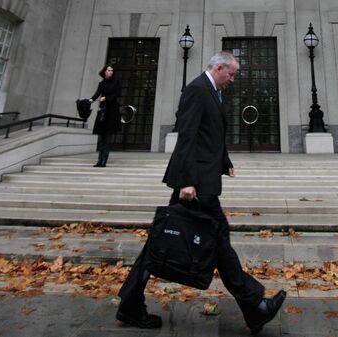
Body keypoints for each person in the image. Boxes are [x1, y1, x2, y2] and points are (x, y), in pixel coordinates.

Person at [116, 51, 286, 335]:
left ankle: (130, 304)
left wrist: (225, 161)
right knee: (218, 240)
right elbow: (188, 136)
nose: (233, 80)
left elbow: (211, 136)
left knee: (163, 243)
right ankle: (254, 306)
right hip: (195, 185)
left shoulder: (213, 90)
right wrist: (186, 181)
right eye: (231, 74)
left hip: (201, 180)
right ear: (218, 67)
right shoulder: (196, 89)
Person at [89, 64, 121, 167]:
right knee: (101, 136)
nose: (110, 72)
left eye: (112, 70)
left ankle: (104, 161)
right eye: (109, 70)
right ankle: (99, 160)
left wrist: (106, 98)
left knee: (107, 137)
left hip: (112, 111)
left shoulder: (116, 82)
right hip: (103, 111)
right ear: (104, 72)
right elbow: (96, 94)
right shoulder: (101, 83)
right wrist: (90, 100)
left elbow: (117, 94)